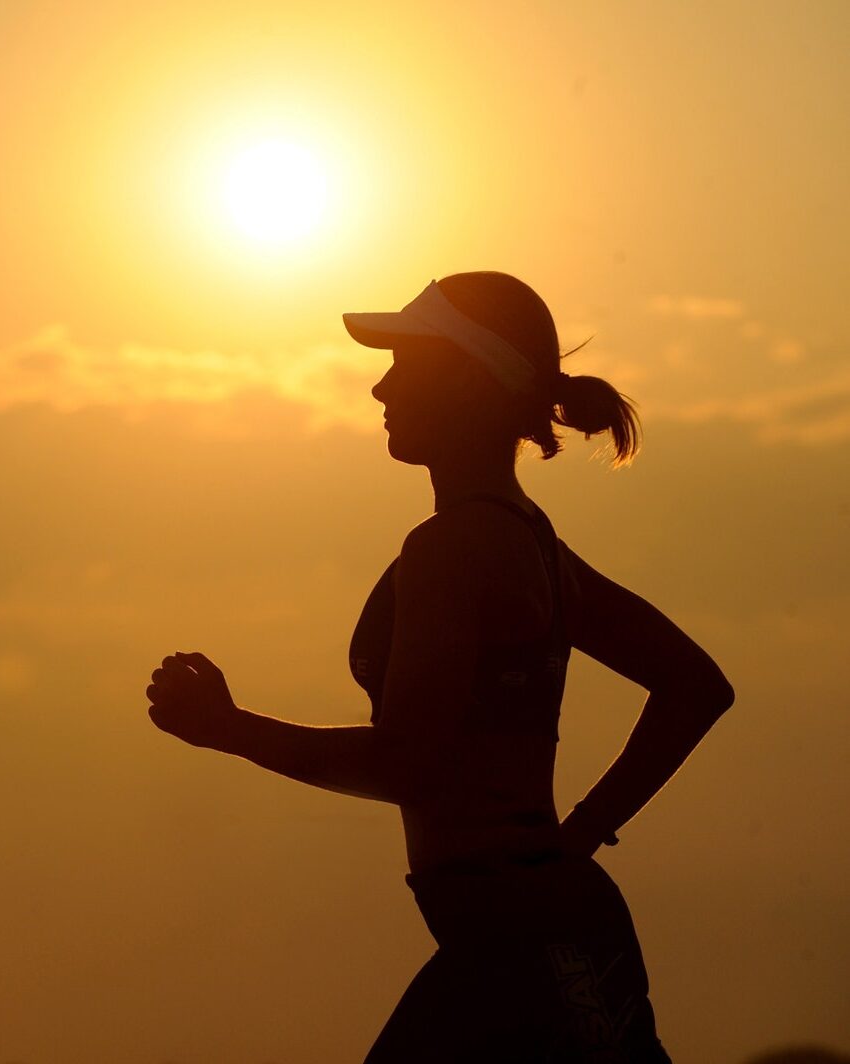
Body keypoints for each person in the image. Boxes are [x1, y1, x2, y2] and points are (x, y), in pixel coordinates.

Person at [144, 271, 735, 1062]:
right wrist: (581, 833)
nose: (380, 388)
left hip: (522, 945)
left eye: (405, 364)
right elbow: (696, 686)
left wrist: (230, 729)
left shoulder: (453, 547)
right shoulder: (532, 543)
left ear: (467, 379)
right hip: (538, 930)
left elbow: (409, 765)